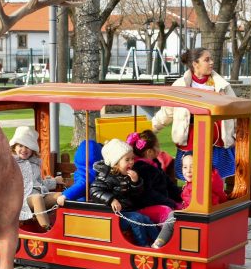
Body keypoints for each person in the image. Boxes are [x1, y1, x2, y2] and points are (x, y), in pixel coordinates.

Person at [152, 48, 236, 179]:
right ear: (195, 64)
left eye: (211, 59)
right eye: (207, 60)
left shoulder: (221, 85)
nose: (212, 62)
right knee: (190, 176)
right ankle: (191, 199)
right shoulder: (180, 85)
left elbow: (234, 110)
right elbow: (167, 112)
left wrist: (237, 134)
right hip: (191, 141)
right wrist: (150, 131)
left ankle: (215, 199)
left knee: (217, 179)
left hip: (217, 141)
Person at [90, 138, 160, 247]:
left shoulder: (126, 176)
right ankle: (143, 246)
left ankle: (159, 242)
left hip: (128, 211)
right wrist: (111, 199)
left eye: (132, 159)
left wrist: (135, 183)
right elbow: (95, 190)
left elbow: (136, 194)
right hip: (114, 215)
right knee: (137, 219)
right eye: (127, 160)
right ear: (116, 163)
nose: (131, 162)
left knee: (145, 219)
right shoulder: (106, 177)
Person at [127, 130, 181, 248]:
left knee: (182, 207)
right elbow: (148, 194)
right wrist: (169, 202)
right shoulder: (142, 168)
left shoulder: (155, 164)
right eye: (158, 146)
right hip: (144, 206)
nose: (160, 149)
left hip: (160, 201)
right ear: (150, 151)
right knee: (166, 211)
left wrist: (182, 196)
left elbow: (169, 185)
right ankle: (164, 243)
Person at [11, 125, 63, 229]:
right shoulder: (11, 164)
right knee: (37, 199)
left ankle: (62, 226)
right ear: (14, 147)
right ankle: (47, 228)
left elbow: (40, 183)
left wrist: (54, 181)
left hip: (39, 194)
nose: (24, 150)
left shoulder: (34, 164)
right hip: (21, 200)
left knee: (61, 196)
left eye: (27, 147)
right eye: (20, 146)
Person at [56, 140, 103, 206]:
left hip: (84, 205)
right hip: (96, 201)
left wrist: (65, 195)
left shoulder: (85, 173)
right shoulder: (100, 170)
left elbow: (81, 185)